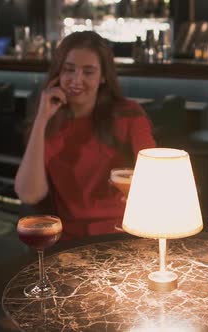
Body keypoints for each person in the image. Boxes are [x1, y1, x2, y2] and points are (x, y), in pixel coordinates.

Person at [15, 31, 156, 240]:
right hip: (69, 241)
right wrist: (41, 119)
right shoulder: (48, 123)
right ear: (57, 74)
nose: (76, 80)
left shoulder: (128, 114)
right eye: (68, 70)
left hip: (123, 235)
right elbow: (29, 194)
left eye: (88, 72)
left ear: (103, 77)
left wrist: (143, 194)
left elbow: (155, 176)